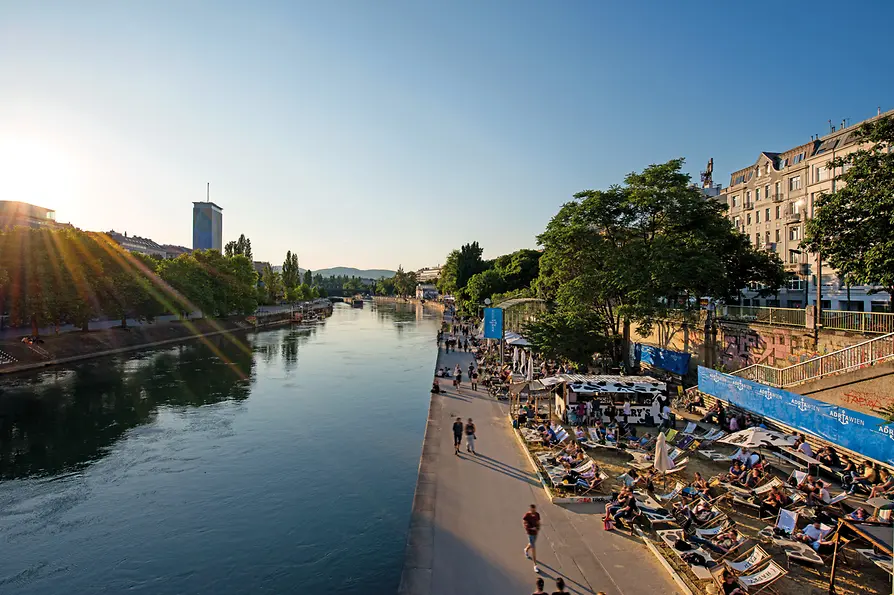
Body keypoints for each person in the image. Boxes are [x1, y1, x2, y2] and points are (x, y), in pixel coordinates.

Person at [523, 504, 541, 573]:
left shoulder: (537, 514)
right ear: (530, 510)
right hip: (530, 533)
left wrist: (538, 527)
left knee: (531, 544)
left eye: (534, 510)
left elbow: (538, 522)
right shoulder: (527, 515)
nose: (534, 511)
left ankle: (526, 549)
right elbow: (524, 523)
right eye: (532, 510)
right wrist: (530, 528)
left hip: (535, 533)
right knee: (533, 548)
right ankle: (535, 565)